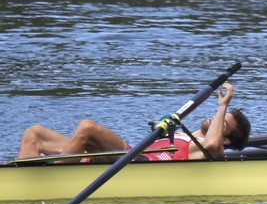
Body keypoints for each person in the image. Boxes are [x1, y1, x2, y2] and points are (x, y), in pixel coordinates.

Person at [17, 83, 251, 161]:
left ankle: (55, 178)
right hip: (128, 154)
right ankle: (22, 182)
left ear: (226, 139)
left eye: (223, 123)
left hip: (136, 163)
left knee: (87, 127)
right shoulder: (185, 135)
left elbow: (211, 145)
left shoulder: (211, 150)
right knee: (34, 133)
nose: (215, 119)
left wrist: (223, 107)